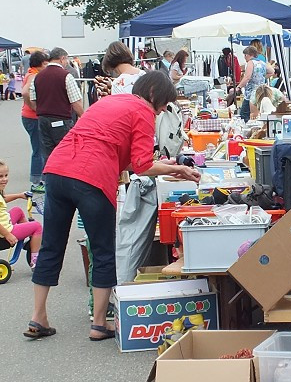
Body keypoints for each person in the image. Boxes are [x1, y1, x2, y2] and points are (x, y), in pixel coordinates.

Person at [25, 71, 202, 342]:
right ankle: (98, 323)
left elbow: (131, 161)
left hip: (58, 170)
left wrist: (174, 169)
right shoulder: (144, 112)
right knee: (103, 251)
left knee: (51, 245)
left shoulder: (109, 102)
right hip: (92, 179)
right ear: (154, 95)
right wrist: (177, 168)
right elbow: (142, 165)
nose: (164, 109)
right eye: (165, 103)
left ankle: (38, 316)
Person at [0, 159, 43, 264]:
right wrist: (8, 234)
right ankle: (35, 261)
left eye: (6, 175)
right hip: (2, 233)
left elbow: (1, 199)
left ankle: (30, 237)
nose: (4, 179)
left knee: (18, 211)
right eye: (0, 176)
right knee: (37, 226)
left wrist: (19, 195)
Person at [29, 47, 84, 163]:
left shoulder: (38, 77)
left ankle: (49, 178)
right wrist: (83, 117)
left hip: (43, 119)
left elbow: (33, 99)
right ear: (62, 58)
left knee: (48, 155)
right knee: (65, 153)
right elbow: (75, 101)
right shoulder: (66, 76)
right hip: (61, 119)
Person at [21, 51, 46, 188]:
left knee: (38, 147)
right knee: (39, 149)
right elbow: (25, 92)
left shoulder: (30, 73)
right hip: (32, 117)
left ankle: (39, 178)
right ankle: (37, 181)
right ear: (41, 64)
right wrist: (34, 107)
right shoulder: (34, 76)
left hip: (28, 116)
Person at [237, 45, 267, 121]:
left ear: (250, 54)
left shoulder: (250, 63)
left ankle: (246, 130)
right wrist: (261, 77)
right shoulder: (262, 62)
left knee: (244, 114)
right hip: (261, 91)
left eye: (245, 55)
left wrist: (239, 87)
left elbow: (247, 77)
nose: (244, 57)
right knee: (257, 114)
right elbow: (272, 71)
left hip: (251, 93)